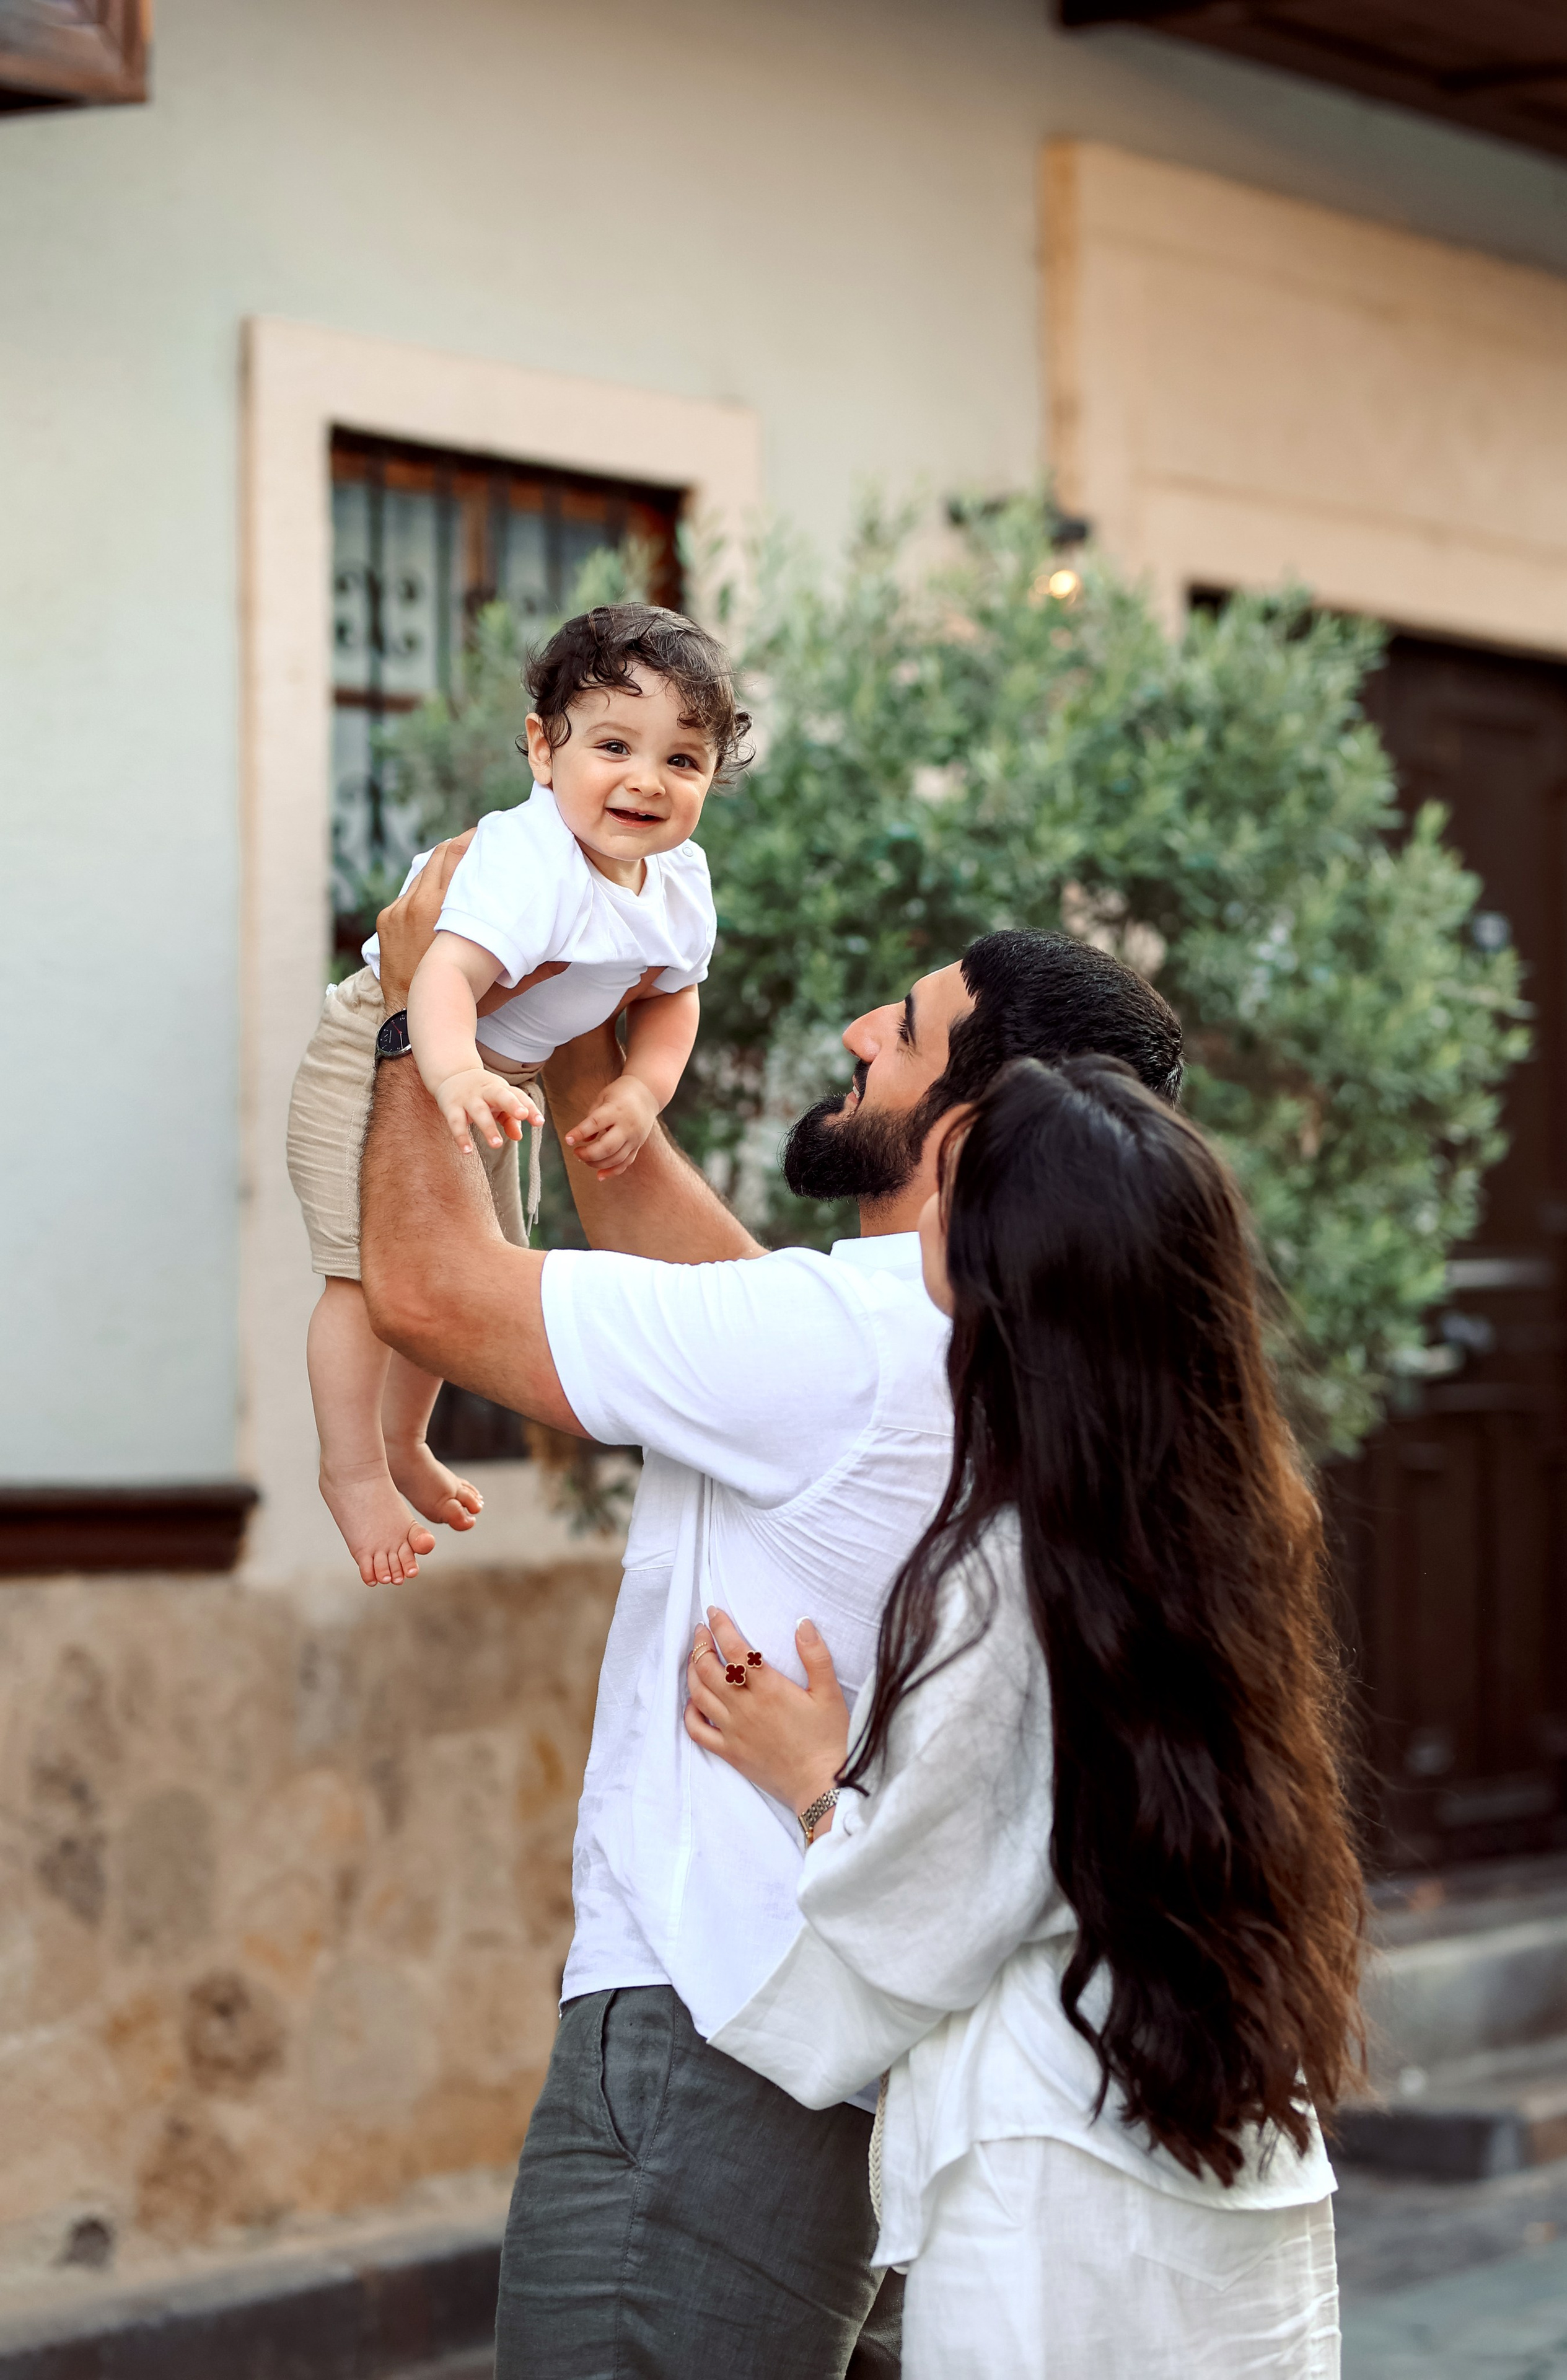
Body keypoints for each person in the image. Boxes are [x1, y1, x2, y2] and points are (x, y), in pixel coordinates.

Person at [359, 850, 1185, 2380]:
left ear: (973, 1124)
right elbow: (728, 1317)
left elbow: (425, 1289)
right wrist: (588, 976)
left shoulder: (853, 1344)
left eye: (915, 1029)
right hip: (858, 2054)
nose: (867, 1026)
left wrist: (427, 1014)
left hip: (710, 2036)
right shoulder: (985, 1344)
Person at [686, 1056, 1366, 2379]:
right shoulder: (1241, 1526)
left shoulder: (1011, 1569)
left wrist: (816, 1782)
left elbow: (921, 1916)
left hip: (1057, 2169)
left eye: (946, 1194)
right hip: (1237, 2142)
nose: (918, 1217)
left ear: (1009, 1279)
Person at [286, 603, 745, 1587]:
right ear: (543, 749)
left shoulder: (680, 882)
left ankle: (407, 1441)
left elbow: (673, 997)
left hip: (498, 1081)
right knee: (364, 1273)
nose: (646, 780)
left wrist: (642, 1087)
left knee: (468, 1273)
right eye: (614, 744)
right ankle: (353, 1468)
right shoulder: (526, 858)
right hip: (383, 1043)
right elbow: (440, 975)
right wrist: (448, 1073)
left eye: (683, 760)